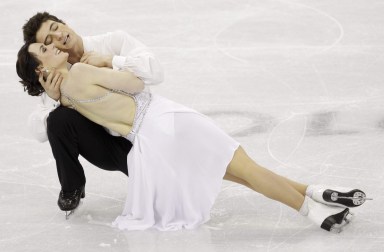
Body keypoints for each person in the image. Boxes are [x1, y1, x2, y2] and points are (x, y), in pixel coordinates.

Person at [17, 41, 370, 233]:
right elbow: (137, 84)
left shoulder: (63, 100)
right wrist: (111, 63)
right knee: (248, 168)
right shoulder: (80, 69)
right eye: (44, 50)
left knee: (237, 173)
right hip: (164, 120)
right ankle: (316, 214)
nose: (52, 46)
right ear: (42, 69)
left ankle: (313, 191)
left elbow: (60, 121)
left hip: (149, 144)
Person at [21, 12, 164, 215]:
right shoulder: (55, 75)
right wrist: (56, 101)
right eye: (48, 41)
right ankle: (72, 187)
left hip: (145, 131)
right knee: (58, 119)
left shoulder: (113, 41)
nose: (58, 38)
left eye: (55, 28)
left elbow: (155, 72)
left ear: (64, 23)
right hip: (112, 148)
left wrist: (110, 60)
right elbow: (38, 130)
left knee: (173, 186)